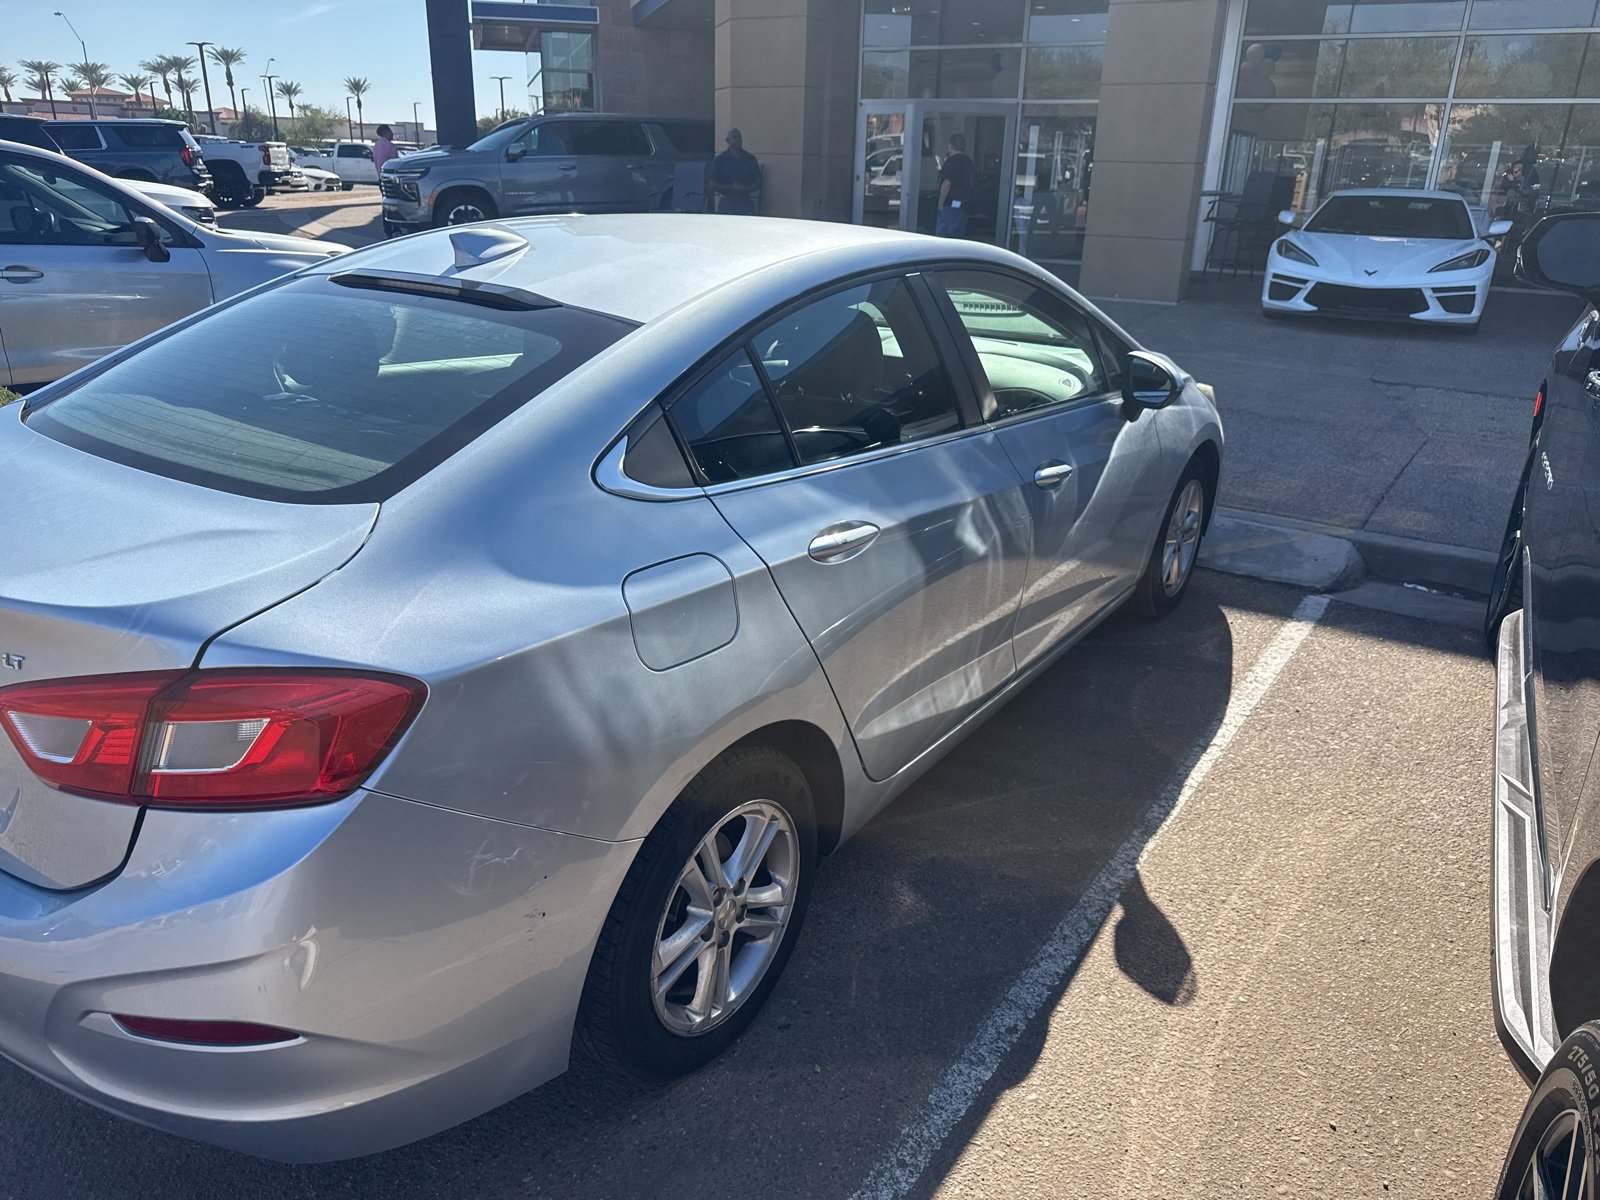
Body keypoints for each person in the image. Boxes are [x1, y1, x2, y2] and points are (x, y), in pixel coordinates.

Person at [711, 128, 761, 216]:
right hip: (726, 202)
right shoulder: (719, 160)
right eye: (734, 137)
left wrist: (746, 188)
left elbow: (759, 183)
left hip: (745, 201)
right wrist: (731, 188)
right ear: (727, 141)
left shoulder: (750, 159)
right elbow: (713, 184)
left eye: (739, 137)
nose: (738, 140)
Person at [936, 133, 974, 238]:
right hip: (964, 206)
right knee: (957, 239)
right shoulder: (968, 162)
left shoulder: (951, 162)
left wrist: (940, 204)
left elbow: (946, 184)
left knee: (943, 238)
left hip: (950, 205)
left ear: (951, 146)